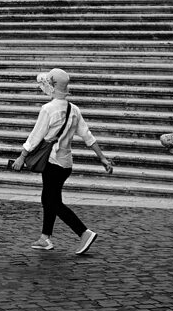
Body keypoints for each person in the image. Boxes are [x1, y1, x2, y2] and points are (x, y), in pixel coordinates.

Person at [12, 68, 114, 254]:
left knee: (53, 202)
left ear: (51, 86)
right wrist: (103, 158)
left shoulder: (48, 109)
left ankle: (83, 232)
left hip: (52, 162)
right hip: (66, 163)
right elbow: (88, 136)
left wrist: (22, 157)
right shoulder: (73, 109)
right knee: (49, 198)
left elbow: (35, 136)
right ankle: (45, 238)